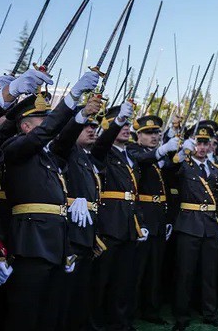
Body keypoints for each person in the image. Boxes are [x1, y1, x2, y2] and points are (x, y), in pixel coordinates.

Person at [1, 70, 99, 330]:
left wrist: (80, 114)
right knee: (25, 313)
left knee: (49, 312)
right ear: (25, 126)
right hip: (30, 242)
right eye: (41, 120)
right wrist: (71, 97)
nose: (47, 125)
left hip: (55, 241)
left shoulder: (47, 156)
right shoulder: (15, 148)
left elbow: (64, 140)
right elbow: (44, 135)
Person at [90, 101, 150, 330]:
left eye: (127, 125)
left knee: (124, 281)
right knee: (101, 280)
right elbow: (101, 144)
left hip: (128, 223)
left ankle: (121, 322)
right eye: (121, 124)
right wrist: (116, 124)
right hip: (108, 224)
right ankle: (96, 324)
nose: (126, 128)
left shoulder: (130, 155)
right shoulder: (103, 151)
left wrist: (140, 223)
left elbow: (133, 193)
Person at [48, 96, 103, 331]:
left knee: (81, 287)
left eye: (94, 126)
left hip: (87, 229)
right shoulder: (65, 150)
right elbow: (63, 140)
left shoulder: (86, 157)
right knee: (65, 290)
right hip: (70, 230)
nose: (91, 130)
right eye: (86, 126)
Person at [171, 125, 218, 330]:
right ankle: (181, 316)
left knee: (209, 273)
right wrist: (179, 151)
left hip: (210, 225)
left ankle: (210, 313)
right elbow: (169, 171)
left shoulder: (215, 170)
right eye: (198, 143)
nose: (202, 147)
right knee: (185, 274)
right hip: (189, 223)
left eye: (205, 143)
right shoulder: (183, 165)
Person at [128, 115, 180, 326]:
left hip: (158, 217)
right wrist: (163, 150)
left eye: (156, 133)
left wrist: (178, 153)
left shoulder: (159, 157)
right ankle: (130, 312)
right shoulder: (134, 151)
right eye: (148, 133)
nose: (154, 136)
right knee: (137, 270)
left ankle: (151, 309)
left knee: (154, 269)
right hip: (142, 217)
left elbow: (170, 181)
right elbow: (144, 159)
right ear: (138, 135)